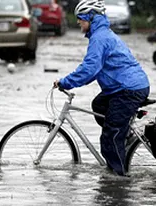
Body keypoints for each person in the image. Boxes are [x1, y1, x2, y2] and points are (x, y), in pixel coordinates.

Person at [53, 0, 150, 176]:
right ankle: (125, 136)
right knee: (98, 105)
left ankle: (119, 178)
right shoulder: (101, 34)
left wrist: (65, 82)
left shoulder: (100, 38)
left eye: (80, 18)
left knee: (110, 135)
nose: (78, 22)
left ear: (91, 17)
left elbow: (89, 70)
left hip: (128, 90)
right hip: (122, 88)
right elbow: (92, 69)